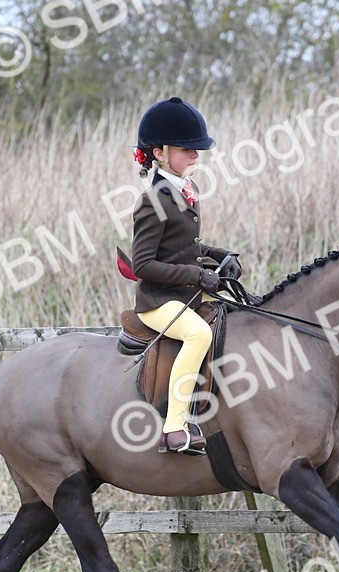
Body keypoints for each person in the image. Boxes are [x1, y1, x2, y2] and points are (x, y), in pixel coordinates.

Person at [130, 97, 242, 456]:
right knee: (198, 334)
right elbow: (143, 264)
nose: (196, 155)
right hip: (158, 301)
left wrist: (218, 256)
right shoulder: (153, 201)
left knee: (237, 316)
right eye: (187, 149)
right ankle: (175, 427)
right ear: (160, 153)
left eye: (198, 149)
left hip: (185, 294)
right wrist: (197, 275)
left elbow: (182, 247)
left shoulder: (183, 190)